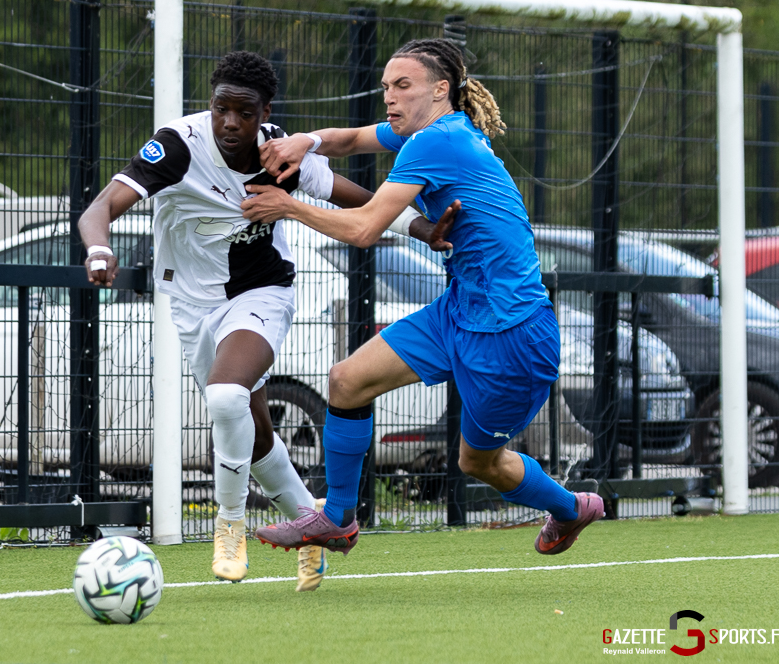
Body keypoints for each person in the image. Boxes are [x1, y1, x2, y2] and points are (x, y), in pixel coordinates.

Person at [78, 51, 447, 591]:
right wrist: (98, 251)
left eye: (244, 113)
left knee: (226, 396)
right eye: (221, 109)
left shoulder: (280, 154)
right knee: (252, 432)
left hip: (262, 292)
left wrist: (422, 229)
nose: (230, 122)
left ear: (265, 113)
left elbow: (358, 199)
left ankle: (229, 525)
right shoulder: (178, 145)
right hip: (190, 303)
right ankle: (312, 526)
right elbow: (99, 209)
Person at [244, 38, 605, 559]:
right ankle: (337, 520)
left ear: (440, 90)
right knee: (347, 381)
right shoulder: (430, 132)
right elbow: (351, 139)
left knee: (479, 463)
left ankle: (571, 508)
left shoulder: (435, 142)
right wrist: (306, 140)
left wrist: (288, 206)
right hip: (458, 311)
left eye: (402, 85)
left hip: (511, 332)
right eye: (386, 86)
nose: (389, 96)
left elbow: (365, 229)